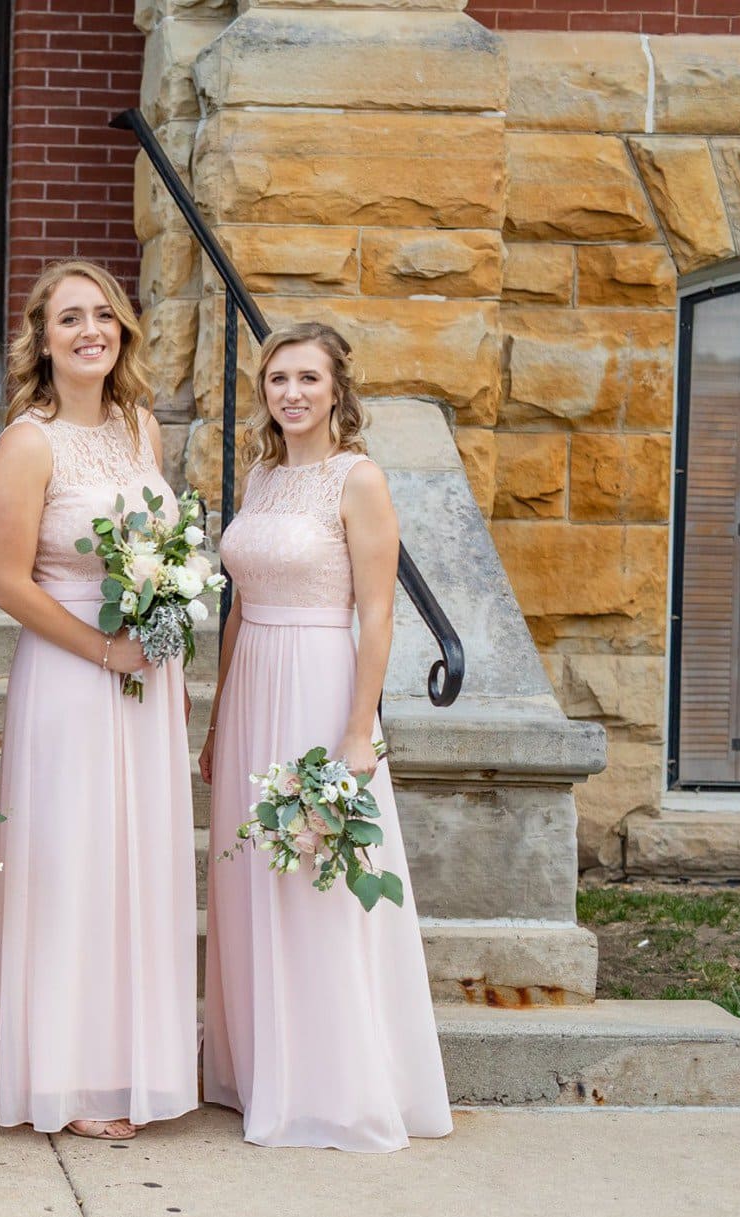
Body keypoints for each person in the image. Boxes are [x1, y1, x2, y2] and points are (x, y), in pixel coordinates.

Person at [199, 321, 452, 1152]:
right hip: (252, 688)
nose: (291, 393)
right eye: (277, 379)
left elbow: (376, 614)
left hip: (318, 682)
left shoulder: (359, 479)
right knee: (251, 878)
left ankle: (331, 1084)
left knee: (319, 878)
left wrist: (358, 731)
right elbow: (239, 608)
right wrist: (216, 716)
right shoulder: (262, 476)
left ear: (338, 389)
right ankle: (261, 1067)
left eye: (307, 378)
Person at [0, 260, 199, 1141]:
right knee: (71, 863)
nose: (90, 331)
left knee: (135, 863)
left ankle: (131, 1066)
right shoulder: (28, 442)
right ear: (42, 338)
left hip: (146, 679)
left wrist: (164, 613)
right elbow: (7, 582)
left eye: (103, 315)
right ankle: (66, 1077)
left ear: (124, 332)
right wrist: (105, 649)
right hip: (73, 674)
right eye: (69, 318)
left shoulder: (140, 427)